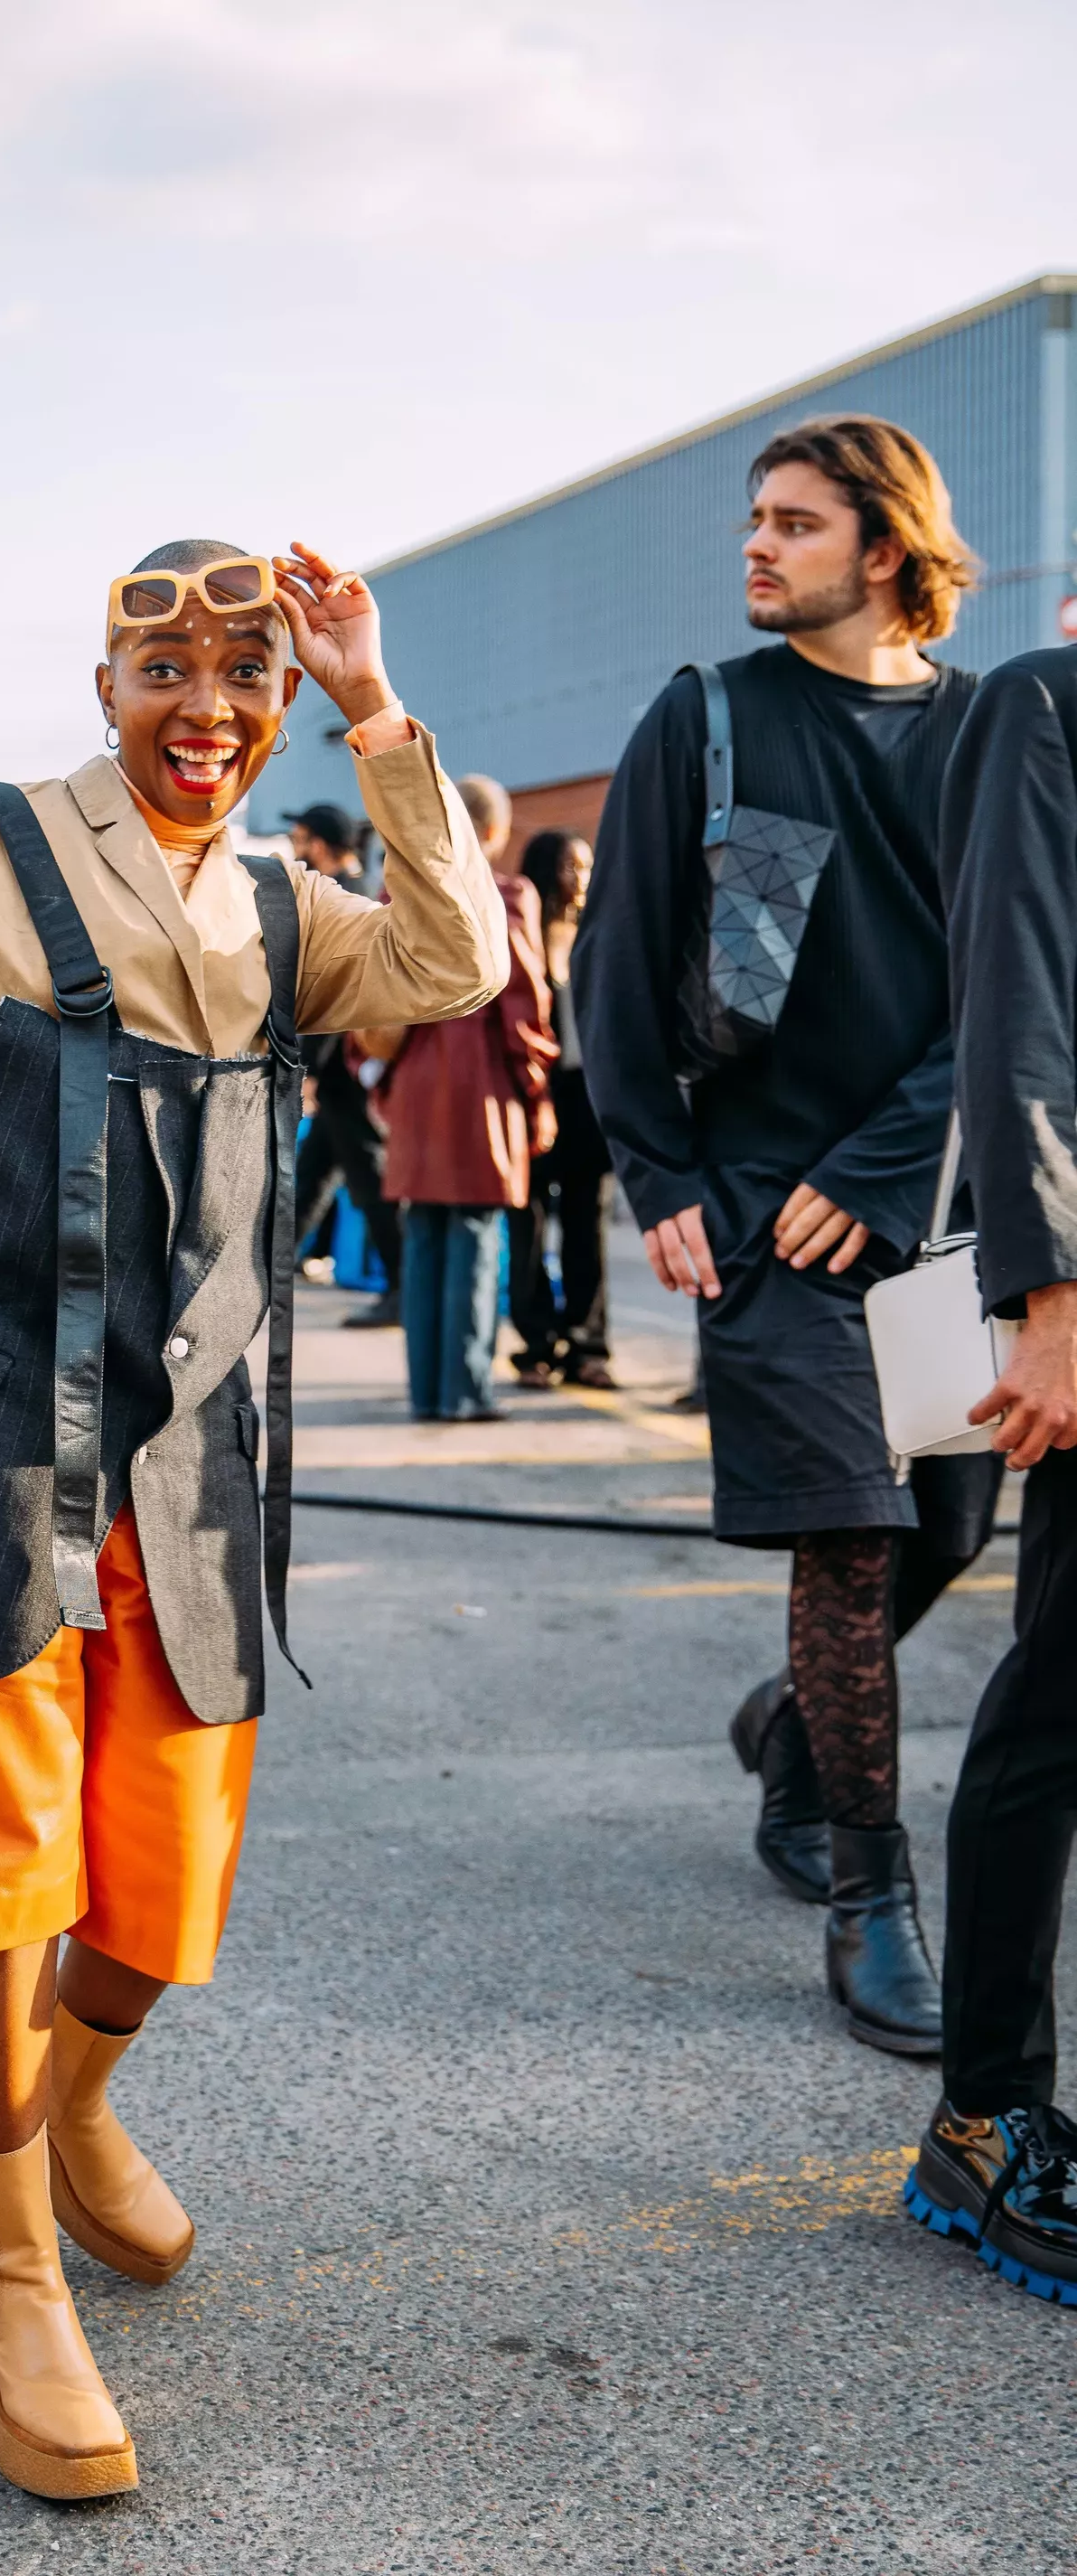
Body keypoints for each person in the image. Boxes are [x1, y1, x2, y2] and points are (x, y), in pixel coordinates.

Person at [0, 539, 509, 2500]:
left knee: (156, 1887)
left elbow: (459, 969)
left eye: (242, 682)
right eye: (168, 679)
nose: (206, 713)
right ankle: (10, 2269)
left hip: (181, 1445)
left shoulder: (280, 896)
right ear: (103, 690)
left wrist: (371, 706)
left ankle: (75, 2116)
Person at [573, 415, 1001, 2055]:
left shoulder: (989, 734)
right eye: (755, 519)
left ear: (884, 550)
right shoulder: (709, 718)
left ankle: (792, 1724)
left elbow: (1016, 987)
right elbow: (618, 966)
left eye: (794, 524)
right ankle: (869, 1898)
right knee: (857, 1536)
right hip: (762, 1217)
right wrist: (663, 1180)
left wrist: (895, 1165)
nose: (756, 546)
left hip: (935, 1208)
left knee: (953, 1532)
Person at [902, 641, 1077, 2301]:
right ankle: (985, 2113)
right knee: (1065, 1685)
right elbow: (1014, 1009)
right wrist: (1051, 1296)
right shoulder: (1047, 703)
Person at [381, 773, 556, 1421]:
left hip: (414, 1089)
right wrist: (537, 1092)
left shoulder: (399, 891)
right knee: (478, 1239)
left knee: (424, 1236)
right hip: (480, 1089)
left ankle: (427, 1390)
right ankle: (467, 1389)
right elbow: (522, 1005)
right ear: (495, 830)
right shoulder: (507, 893)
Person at [286, 801, 403, 1324]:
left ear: (322, 844)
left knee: (369, 1179)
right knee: (314, 1176)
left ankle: (404, 1286)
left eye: (301, 839)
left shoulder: (345, 900)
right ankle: (260, 1272)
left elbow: (335, 1000)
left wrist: (308, 1071)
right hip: (339, 1072)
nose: (294, 849)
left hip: (343, 1070)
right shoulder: (345, 894)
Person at [507, 832, 615, 1390]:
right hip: (532, 1095)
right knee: (526, 1225)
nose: (582, 879)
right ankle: (536, 1345)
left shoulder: (594, 935)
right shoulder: (518, 934)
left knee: (586, 1223)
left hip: (586, 1099)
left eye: (588, 867)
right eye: (572, 866)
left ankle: (589, 1345)